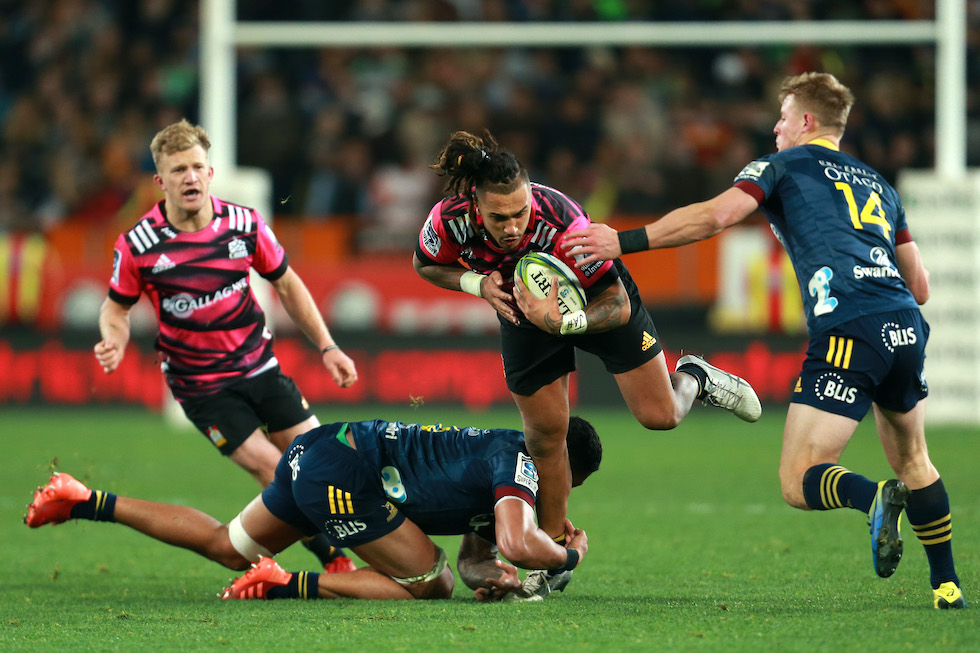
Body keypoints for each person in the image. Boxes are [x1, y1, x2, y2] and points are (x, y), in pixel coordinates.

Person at [564, 72, 965, 610]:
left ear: (806, 121)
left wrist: (623, 241)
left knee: (799, 478)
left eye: (783, 117)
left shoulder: (782, 166)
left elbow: (714, 217)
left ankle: (872, 499)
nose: (776, 128)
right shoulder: (879, 185)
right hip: (905, 326)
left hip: (850, 326)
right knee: (914, 459)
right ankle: (947, 587)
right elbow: (921, 287)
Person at [413, 130, 762, 543]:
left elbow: (618, 304)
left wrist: (564, 322)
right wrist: (477, 284)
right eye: (498, 218)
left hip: (594, 302)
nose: (512, 227)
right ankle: (553, 549)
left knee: (661, 416)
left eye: (519, 213)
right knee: (545, 438)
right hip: (524, 314)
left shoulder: (564, 224)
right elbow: (424, 264)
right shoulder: (448, 221)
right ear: (476, 207)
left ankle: (694, 376)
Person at [92, 119, 359, 572]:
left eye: (197, 167)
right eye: (178, 170)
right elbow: (116, 308)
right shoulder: (139, 244)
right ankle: (332, 556)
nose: (190, 177)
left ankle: (367, 549)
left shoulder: (244, 224)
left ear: (210, 173)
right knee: (274, 470)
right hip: (202, 387)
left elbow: (287, 284)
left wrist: (328, 346)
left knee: (321, 462)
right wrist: (113, 340)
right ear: (160, 182)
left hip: (260, 368)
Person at [24, 416, 601, 602]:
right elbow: (521, 544)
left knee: (229, 546)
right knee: (431, 582)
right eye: (570, 483)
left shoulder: (504, 465)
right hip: (348, 474)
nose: (563, 494)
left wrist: (499, 580)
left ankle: (83, 499)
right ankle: (283, 583)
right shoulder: (521, 461)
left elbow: (480, 559)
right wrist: (568, 555)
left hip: (322, 449)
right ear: (560, 464)